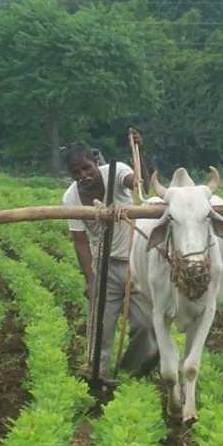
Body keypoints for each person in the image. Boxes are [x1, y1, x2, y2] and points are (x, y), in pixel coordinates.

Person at [62, 129, 158, 383]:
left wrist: (141, 155)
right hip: (103, 264)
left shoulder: (115, 173)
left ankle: (135, 368)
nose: (84, 176)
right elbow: (80, 241)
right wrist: (91, 279)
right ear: (70, 175)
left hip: (135, 263)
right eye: (77, 173)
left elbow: (140, 185)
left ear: (94, 163)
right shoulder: (71, 197)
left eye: (86, 168)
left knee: (145, 324)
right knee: (101, 325)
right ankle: (97, 373)